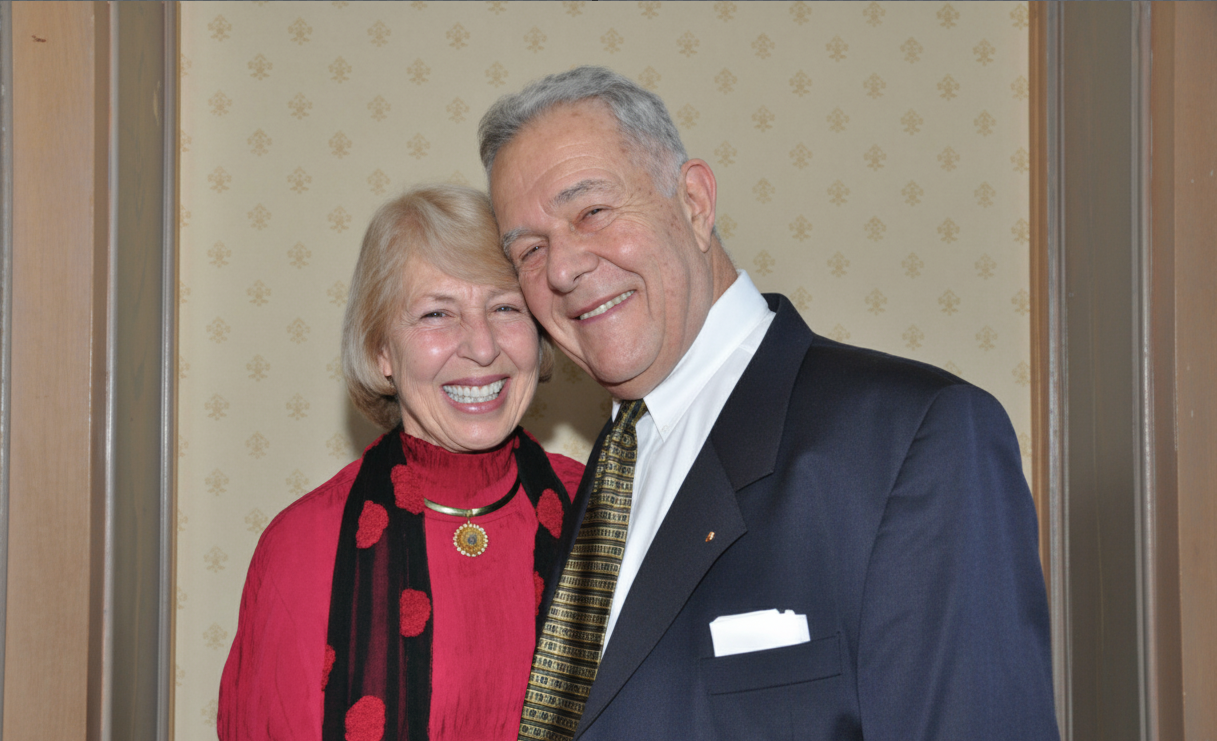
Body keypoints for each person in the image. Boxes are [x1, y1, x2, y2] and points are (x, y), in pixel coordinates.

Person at [479, 66, 1060, 740]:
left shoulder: (911, 439)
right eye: (530, 249)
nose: (562, 268)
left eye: (592, 212)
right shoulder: (602, 481)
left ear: (695, 203)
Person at [217, 185, 586, 741]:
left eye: (505, 307)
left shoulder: (605, 512)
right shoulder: (304, 545)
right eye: (437, 313)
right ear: (380, 352)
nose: (482, 347)